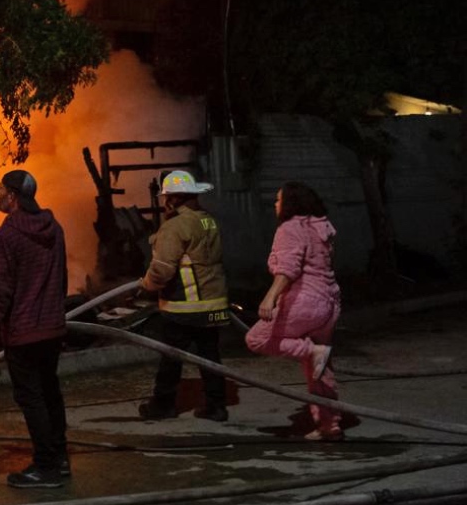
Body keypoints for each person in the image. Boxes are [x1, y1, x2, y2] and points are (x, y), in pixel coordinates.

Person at [0, 169, 70, 489]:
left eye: (0, 190)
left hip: (24, 331)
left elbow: (0, 289)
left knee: (32, 398)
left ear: (13, 197)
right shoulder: (53, 228)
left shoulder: (6, 236)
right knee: (50, 392)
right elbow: (62, 278)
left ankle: (46, 467)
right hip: (52, 328)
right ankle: (60, 459)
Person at [245, 181, 343, 440]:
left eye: (278, 200)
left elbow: (288, 269)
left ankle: (311, 350)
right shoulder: (320, 226)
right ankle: (328, 425)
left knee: (257, 339)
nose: (275, 204)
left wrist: (269, 298)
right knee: (319, 368)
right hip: (330, 303)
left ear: (290, 203)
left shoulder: (289, 229)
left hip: (305, 301)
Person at [137, 170, 233, 422]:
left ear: (173, 199)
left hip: (185, 306)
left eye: (166, 197)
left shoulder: (175, 226)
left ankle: (163, 405)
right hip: (213, 302)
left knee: (171, 357)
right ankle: (216, 405)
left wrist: (146, 286)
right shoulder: (208, 221)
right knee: (210, 355)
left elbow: (162, 269)